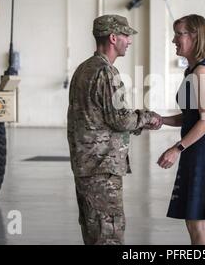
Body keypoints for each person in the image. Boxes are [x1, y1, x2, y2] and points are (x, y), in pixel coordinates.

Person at [67, 15, 162, 245]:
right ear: (112, 37)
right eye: (126, 35)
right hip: (102, 168)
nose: (129, 41)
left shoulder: (83, 69)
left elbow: (99, 117)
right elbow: (119, 119)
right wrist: (148, 118)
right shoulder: (106, 72)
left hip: (85, 164)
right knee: (108, 235)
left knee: (93, 232)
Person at [158, 14, 205, 245]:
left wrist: (176, 148)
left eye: (178, 34)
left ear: (195, 36)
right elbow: (192, 117)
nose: (174, 40)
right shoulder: (192, 71)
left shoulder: (202, 72)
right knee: (196, 222)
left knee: (197, 222)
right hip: (198, 150)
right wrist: (161, 120)